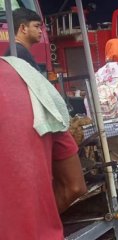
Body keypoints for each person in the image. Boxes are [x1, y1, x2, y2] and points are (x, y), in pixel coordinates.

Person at [0, 57, 87, 239]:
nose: (40, 31)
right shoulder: (30, 78)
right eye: (36, 25)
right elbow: (75, 186)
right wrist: (33, 218)